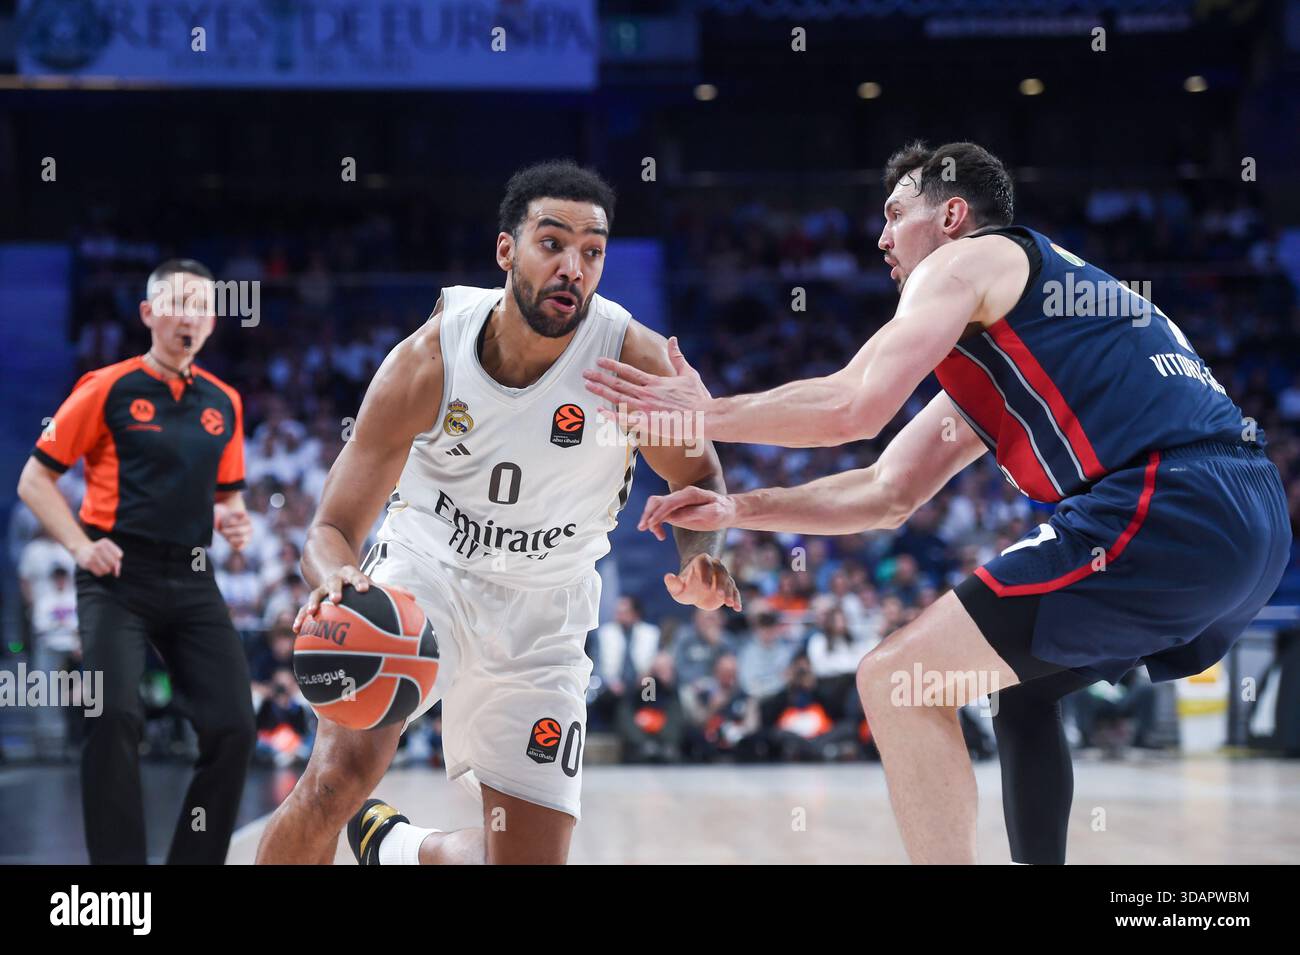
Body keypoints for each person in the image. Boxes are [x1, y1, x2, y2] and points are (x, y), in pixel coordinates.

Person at [588, 140, 1292, 864]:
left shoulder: (969, 260)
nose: (882, 236)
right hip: (1250, 517)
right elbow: (886, 491)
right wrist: (740, 509)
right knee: (1024, 692)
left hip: (1169, 503)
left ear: (952, 214)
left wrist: (700, 415)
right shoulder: (1031, 325)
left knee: (896, 680)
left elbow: (851, 408)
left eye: (895, 214)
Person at [254, 160, 740, 866]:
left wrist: (701, 556)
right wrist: (333, 577)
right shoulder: (429, 358)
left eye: (592, 251)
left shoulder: (632, 361)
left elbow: (700, 474)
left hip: (547, 612)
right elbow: (330, 529)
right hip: (424, 582)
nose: (573, 266)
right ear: (506, 251)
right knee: (332, 784)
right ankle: (366, 826)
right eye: (553, 243)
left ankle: (395, 845)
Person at [17, 258, 256, 864]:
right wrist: (78, 545)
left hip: (193, 578)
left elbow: (229, 492)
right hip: (115, 577)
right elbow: (34, 481)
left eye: (202, 308)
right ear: (148, 314)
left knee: (234, 727)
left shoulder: (224, 402)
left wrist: (233, 515)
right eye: (178, 304)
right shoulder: (106, 387)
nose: (191, 318)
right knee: (115, 716)